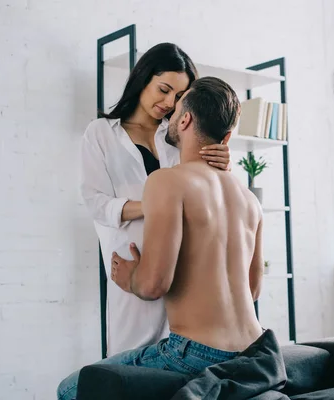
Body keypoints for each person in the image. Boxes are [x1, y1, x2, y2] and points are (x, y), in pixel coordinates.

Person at [58, 76, 264, 400]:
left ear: (185, 119)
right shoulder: (249, 198)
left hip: (197, 352)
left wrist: (130, 278)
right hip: (253, 350)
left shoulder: (166, 181)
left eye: (178, 102)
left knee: (71, 389)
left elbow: (154, 286)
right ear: (226, 137)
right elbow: (252, 289)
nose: (169, 110)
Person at [80, 43, 232, 358]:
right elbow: (96, 202)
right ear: (143, 78)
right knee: (126, 366)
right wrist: (152, 207)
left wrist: (223, 164)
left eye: (178, 97)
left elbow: (207, 194)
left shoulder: (181, 135)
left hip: (182, 264)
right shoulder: (101, 134)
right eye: (163, 89)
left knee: (181, 361)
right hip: (132, 266)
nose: (168, 103)